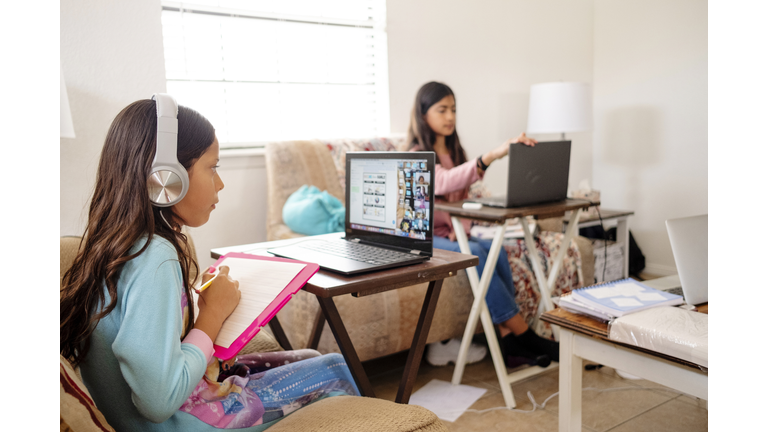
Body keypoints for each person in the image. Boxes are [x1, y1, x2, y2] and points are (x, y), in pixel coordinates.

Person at [59, 98, 360, 432]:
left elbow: (144, 333)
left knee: (307, 357)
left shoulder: (116, 243)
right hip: (179, 421)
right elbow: (158, 400)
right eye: (212, 167)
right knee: (332, 366)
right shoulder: (155, 258)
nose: (220, 183)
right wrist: (212, 316)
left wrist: (195, 300)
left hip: (170, 409)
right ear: (166, 178)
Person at [405, 81, 559, 368]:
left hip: (449, 233)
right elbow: (443, 181)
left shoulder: (454, 151)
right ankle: (525, 335)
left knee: (494, 248)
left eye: (453, 109)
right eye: (442, 110)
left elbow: (459, 202)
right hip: (422, 238)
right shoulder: (415, 154)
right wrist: (493, 154)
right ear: (423, 114)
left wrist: (459, 228)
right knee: (475, 254)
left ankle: (506, 339)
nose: (450, 116)